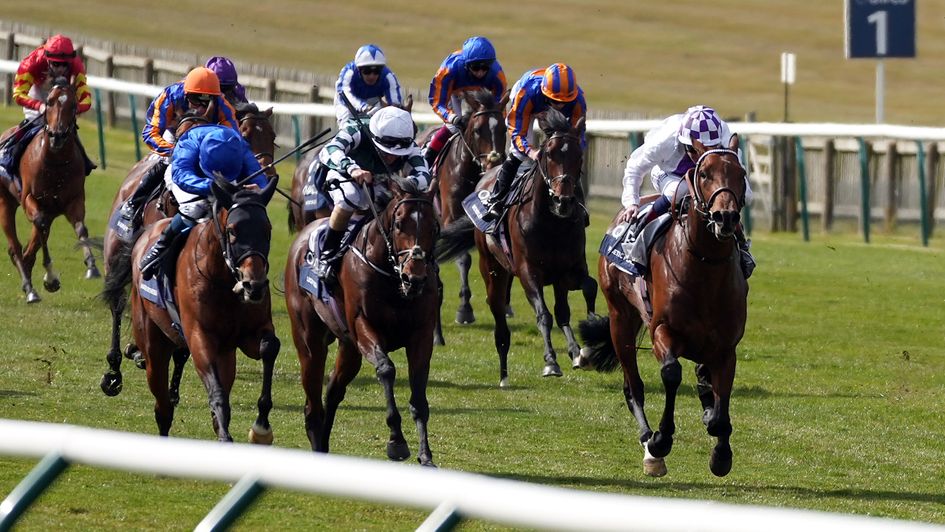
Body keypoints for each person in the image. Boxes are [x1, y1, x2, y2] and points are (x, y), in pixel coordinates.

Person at [617, 105, 755, 278]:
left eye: (711, 150)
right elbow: (634, 167)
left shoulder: (725, 135)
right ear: (686, 142)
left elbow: (737, 171)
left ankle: (742, 247)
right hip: (668, 174)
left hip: (710, 176)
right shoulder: (664, 140)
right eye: (697, 152)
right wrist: (631, 203)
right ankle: (638, 232)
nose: (702, 157)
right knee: (679, 189)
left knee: (746, 196)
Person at [314, 106, 431, 280]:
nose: (392, 157)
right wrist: (352, 168)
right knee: (351, 197)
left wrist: (404, 183)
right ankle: (326, 256)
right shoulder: (356, 129)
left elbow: (424, 175)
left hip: (378, 180)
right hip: (342, 173)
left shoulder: (409, 144)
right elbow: (329, 151)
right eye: (387, 151)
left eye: (398, 153)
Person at [117, 66, 240, 230]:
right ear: (187, 94)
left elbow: (234, 139)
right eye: (196, 101)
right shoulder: (171, 96)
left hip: (205, 135)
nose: (200, 108)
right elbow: (150, 132)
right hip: (174, 132)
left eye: (207, 102)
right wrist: (173, 150)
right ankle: (134, 203)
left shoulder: (223, 106)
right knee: (166, 160)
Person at [139, 125, 268, 279]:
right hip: (185, 176)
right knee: (195, 207)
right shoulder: (189, 144)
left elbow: (258, 177)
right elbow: (181, 176)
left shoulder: (238, 145)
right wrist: (212, 186)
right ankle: (160, 247)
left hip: (225, 181)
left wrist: (259, 188)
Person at [480, 63, 586, 222]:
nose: (560, 105)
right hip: (527, 103)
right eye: (555, 101)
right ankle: (496, 199)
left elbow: (579, 137)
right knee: (518, 154)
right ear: (546, 94)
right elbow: (516, 132)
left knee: (567, 158)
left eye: (565, 101)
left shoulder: (578, 100)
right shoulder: (526, 94)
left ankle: (580, 205)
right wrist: (531, 152)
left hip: (543, 101)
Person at [1, 34, 96, 181]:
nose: (61, 68)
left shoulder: (76, 66)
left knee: (65, 127)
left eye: (65, 65)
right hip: (38, 91)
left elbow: (86, 99)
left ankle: (84, 161)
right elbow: (18, 93)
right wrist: (39, 106)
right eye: (56, 64)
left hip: (63, 94)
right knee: (36, 122)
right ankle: (7, 155)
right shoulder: (31, 63)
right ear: (47, 59)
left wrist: (72, 110)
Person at [423, 36, 507, 167]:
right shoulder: (449, 70)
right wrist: (452, 117)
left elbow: (499, 108)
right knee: (454, 127)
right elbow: (437, 102)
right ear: (466, 65)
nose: (480, 72)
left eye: (485, 68)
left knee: (491, 127)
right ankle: (427, 161)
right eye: (475, 67)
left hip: (482, 95)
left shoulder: (497, 76)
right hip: (455, 93)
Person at [334, 44, 403, 125]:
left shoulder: (388, 76)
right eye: (367, 71)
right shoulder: (349, 72)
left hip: (372, 104)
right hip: (347, 105)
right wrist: (363, 106)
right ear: (359, 70)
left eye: (376, 71)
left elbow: (396, 103)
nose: (371, 76)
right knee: (347, 126)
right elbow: (345, 94)